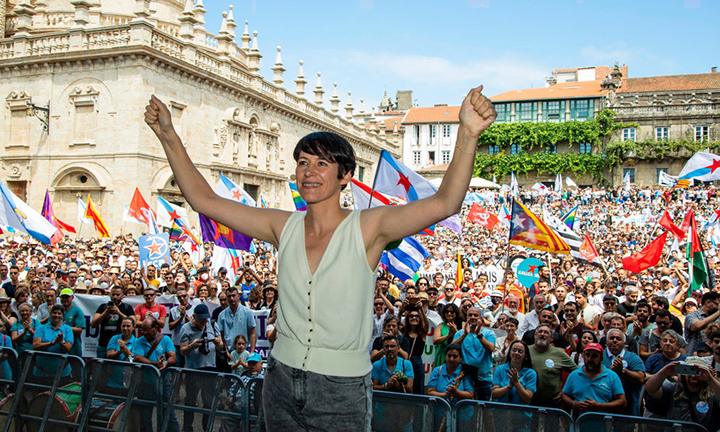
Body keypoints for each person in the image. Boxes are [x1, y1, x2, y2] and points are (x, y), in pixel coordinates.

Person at [145, 85, 496, 429]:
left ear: (345, 175)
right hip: (280, 380)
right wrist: (169, 136)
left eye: (322, 163)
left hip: (341, 390)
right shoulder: (281, 225)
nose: (309, 171)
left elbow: (445, 203)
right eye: (303, 162)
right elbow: (205, 201)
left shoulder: (369, 227)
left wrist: (467, 133)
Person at [179, 303, 223, 432]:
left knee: (208, 401)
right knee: (190, 400)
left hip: (210, 368)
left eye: (206, 318)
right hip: (194, 369)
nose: (205, 321)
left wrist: (218, 343)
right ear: (194, 317)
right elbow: (182, 351)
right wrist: (191, 346)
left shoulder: (212, 325)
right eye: (202, 319)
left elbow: (221, 344)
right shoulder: (186, 329)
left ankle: (207, 428)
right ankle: (187, 428)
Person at [644, 357, 720, 431]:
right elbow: (650, 389)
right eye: (689, 371)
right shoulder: (674, 389)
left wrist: (710, 379)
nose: (693, 376)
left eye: (698, 372)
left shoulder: (713, 393)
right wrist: (663, 373)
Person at [132, 317, 179, 432]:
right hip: (146, 383)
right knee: (145, 415)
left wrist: (166, 363)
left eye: (147, 329)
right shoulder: (139, 341)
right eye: (143, 330)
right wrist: (154, 364)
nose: (145, 332)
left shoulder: (165, 339)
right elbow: (137, 357)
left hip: (164, 383)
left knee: (168, 413)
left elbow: (173, 357)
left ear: (155, 328)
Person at [560, 342, 626, 417]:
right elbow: (564, 395)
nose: (590, 359)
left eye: (594, 356)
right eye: (587, 355)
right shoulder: (574, 375)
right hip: (579, 422)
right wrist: (574, 404)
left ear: (601, 359)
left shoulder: (612, 376)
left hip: (604, 421)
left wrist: (600, 406)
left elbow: (622, 401)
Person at [451, 306, 496, 400]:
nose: (473, 317)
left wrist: (479, 335)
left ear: (481, 318)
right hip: (466, 376)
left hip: (483, 377)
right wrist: (464, 334)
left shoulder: (489, 333)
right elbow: (451, 348)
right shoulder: (460, 333)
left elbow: (490, 349)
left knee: (483, 405)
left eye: (476, 315)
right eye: (470, 315)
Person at [529, 323, 578, 407]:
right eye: (540, 332)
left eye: (546, 332)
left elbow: (577, 373)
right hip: (528, 400)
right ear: (535, 335)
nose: (542, 334)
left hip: (551, 402)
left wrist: (565, 391)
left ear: (552, 338)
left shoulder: (560, 354)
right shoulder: (526, 350)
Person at [602, 328, 645, 416]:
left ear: (624, 343)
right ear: (606, 341)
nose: (615, 341)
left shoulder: (633, 358)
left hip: (629, 408)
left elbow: (641, 378)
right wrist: (611, 371)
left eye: (618, 339)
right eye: (612, 338)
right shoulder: (599, 356)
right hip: (603, 406)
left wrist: (623, 370)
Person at [32, 304, 74, 386]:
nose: (56, 315)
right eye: (54, 313)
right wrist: (52, 343)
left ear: (62, 316)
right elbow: (36, 345)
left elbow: (68, 348)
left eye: (59, 313)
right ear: (50, 314)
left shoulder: (67, 329)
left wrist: (61, 342)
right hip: (41, 373)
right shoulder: (41, 328)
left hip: (62, 373)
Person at [91, 285, 134, 358]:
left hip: (119, 344)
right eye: (113, 294)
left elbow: (133, 323)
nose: (115, 297)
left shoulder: (127, 307)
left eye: (117, 295)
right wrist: (105, 312)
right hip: (103, 345)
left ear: (122, 296)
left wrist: (119, 312)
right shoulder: (103, 307)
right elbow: (93, 324)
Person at [492, 340, 537, 406]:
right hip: (501, 410)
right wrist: (509, 386)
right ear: (510, 352)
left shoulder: (531, 373)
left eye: (520, 351)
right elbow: (494, 394)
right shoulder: (500, 369)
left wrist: (516, 383)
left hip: (521, 410)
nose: (516, 353)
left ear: (525, 355)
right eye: (514, 350)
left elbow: (527, 399)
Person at [217, 287, 256, 361]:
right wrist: (226, 352)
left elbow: (252, 333)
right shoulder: (222, 315)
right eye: (229, 296)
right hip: (229, 352)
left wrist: (252, 351)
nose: (231, 298)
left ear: (238, 296)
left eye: (234, 296)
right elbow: (221, 336)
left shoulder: (247, 312)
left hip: (244, 351)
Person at [106, 317, 138, 395]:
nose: (125, 328)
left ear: (133, 327)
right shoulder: (115, 338)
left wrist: (124, 348)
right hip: (113, 379)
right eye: (123, 326)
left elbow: (134, 358)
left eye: (128, 326)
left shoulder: (137, 342)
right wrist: (119, 351)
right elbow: (109, 355)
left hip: (128, 380)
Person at [402, 305, 428, 395]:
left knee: (418, 388)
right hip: (405, 361)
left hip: (417, 362)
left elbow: (427, 324)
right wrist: (402, 308)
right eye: (411, 316)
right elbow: (397, 321)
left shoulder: (422, 333)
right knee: (404, 387)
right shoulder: (404, 331)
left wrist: (421, 309)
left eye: (417, 316)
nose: (414, 318)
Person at [433, 303, 461, 368]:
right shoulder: (441, 325)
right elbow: (435, 341)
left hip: (455, 356)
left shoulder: (461, 324)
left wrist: (456, 332)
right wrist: (448, 335)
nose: (449, 314)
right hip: (442, 354)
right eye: (447, 312)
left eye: (452, 312)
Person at [59, 288, 85, 359]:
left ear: (72, 297)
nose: (65, 299)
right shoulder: (56, 311)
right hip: (58, 348)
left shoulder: (77, 311)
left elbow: (79, 330)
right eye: (63, 297)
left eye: (67, 297)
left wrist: (63, 326)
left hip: (74, 348)